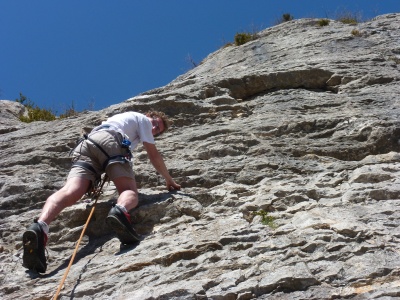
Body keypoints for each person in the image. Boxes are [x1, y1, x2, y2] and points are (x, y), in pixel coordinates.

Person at [22, 110, 181, 273]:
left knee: (71, 191)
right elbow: (153, 154)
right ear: (149, 116)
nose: (154, 128)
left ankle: (40, 226)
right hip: (111, 141)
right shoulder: (143, 120)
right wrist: (169, 179)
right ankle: (120, 211)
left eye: (157, 130)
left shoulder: (121, 119)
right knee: (129, 191)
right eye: (155, 123)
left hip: (87, 143)